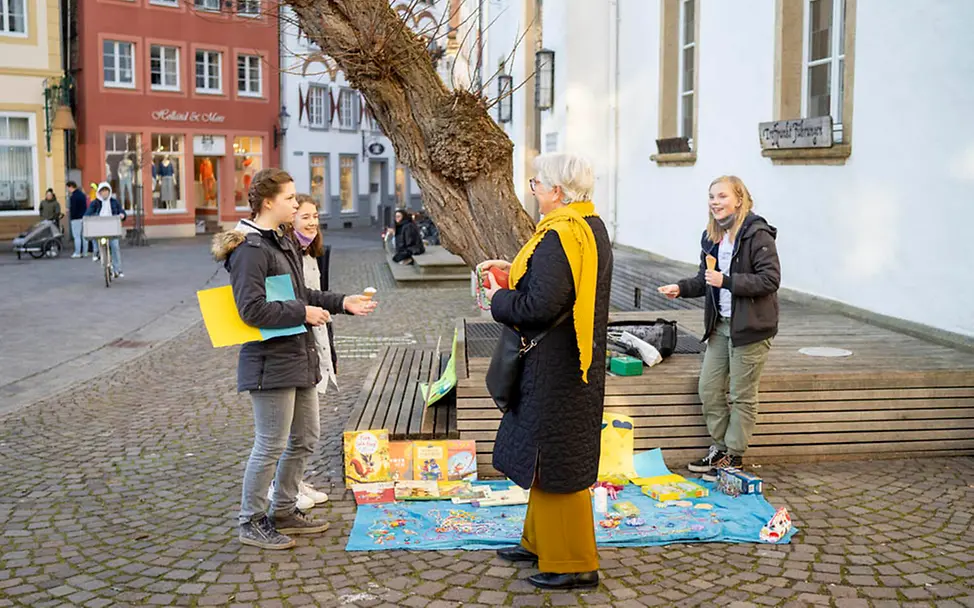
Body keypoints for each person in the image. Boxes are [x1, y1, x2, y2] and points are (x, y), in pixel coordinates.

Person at [211, 168, 377, 550]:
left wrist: (344, 303)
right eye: (289, 198)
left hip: (297, 355)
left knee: (305, 437)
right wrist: (302, 314)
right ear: (268, 202)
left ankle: (283, 509)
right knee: (270, 443)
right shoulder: (251, 249)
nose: (294, 203)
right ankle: (250, 520)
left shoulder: (280, 242)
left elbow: (305, 293)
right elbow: (250, 310)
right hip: (270, 362)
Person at [482, 153, 613, 591]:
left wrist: (500, 296)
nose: (533, 187)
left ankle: (575, 562)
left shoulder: (561, 236)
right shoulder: (588, 226)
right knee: (547, 462)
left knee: (558, 466)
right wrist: (518, 274)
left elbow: (540, 306)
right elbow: (554, 288)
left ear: (557, 191)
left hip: (557, 369)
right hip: (569, 364)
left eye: (538, 182)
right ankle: (538, 541)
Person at [658, 175, 780, 481]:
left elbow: (770, 280)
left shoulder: (757, 234)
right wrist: (680, 288)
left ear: (739, 199)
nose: (715, 202)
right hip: (720, 326)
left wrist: (727, 281)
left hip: (751, 328)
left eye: (722, 196)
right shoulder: (711, 237)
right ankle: (722, 447)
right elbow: (704, 279)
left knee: (742, 395)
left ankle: (733, 455)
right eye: (711, 196)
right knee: (709, 389)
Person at [84, 182, 126, 278]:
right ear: (99, 192)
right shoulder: (95, 203)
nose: (104, 193)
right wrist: (88, 217)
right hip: (100, 228)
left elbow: (121, 211)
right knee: (94, 236)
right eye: (102, 191)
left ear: (109, 191)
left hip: (112, 229)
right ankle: (97, 253)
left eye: (106, 191)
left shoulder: (114, 202)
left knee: (115, 246)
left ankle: (117, 269)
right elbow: (88, 213)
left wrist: (122, 215)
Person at [67, 182, 89, 258]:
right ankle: (85, 252)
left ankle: (77, 252)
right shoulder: (83, 195)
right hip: (83, 217)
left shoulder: (73, 197)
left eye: (68, 188)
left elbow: (73, 209)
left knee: (76, 236)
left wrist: (72, 216)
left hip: (76, 218)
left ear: (71, 187)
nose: (68, 189)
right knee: (84, 236)